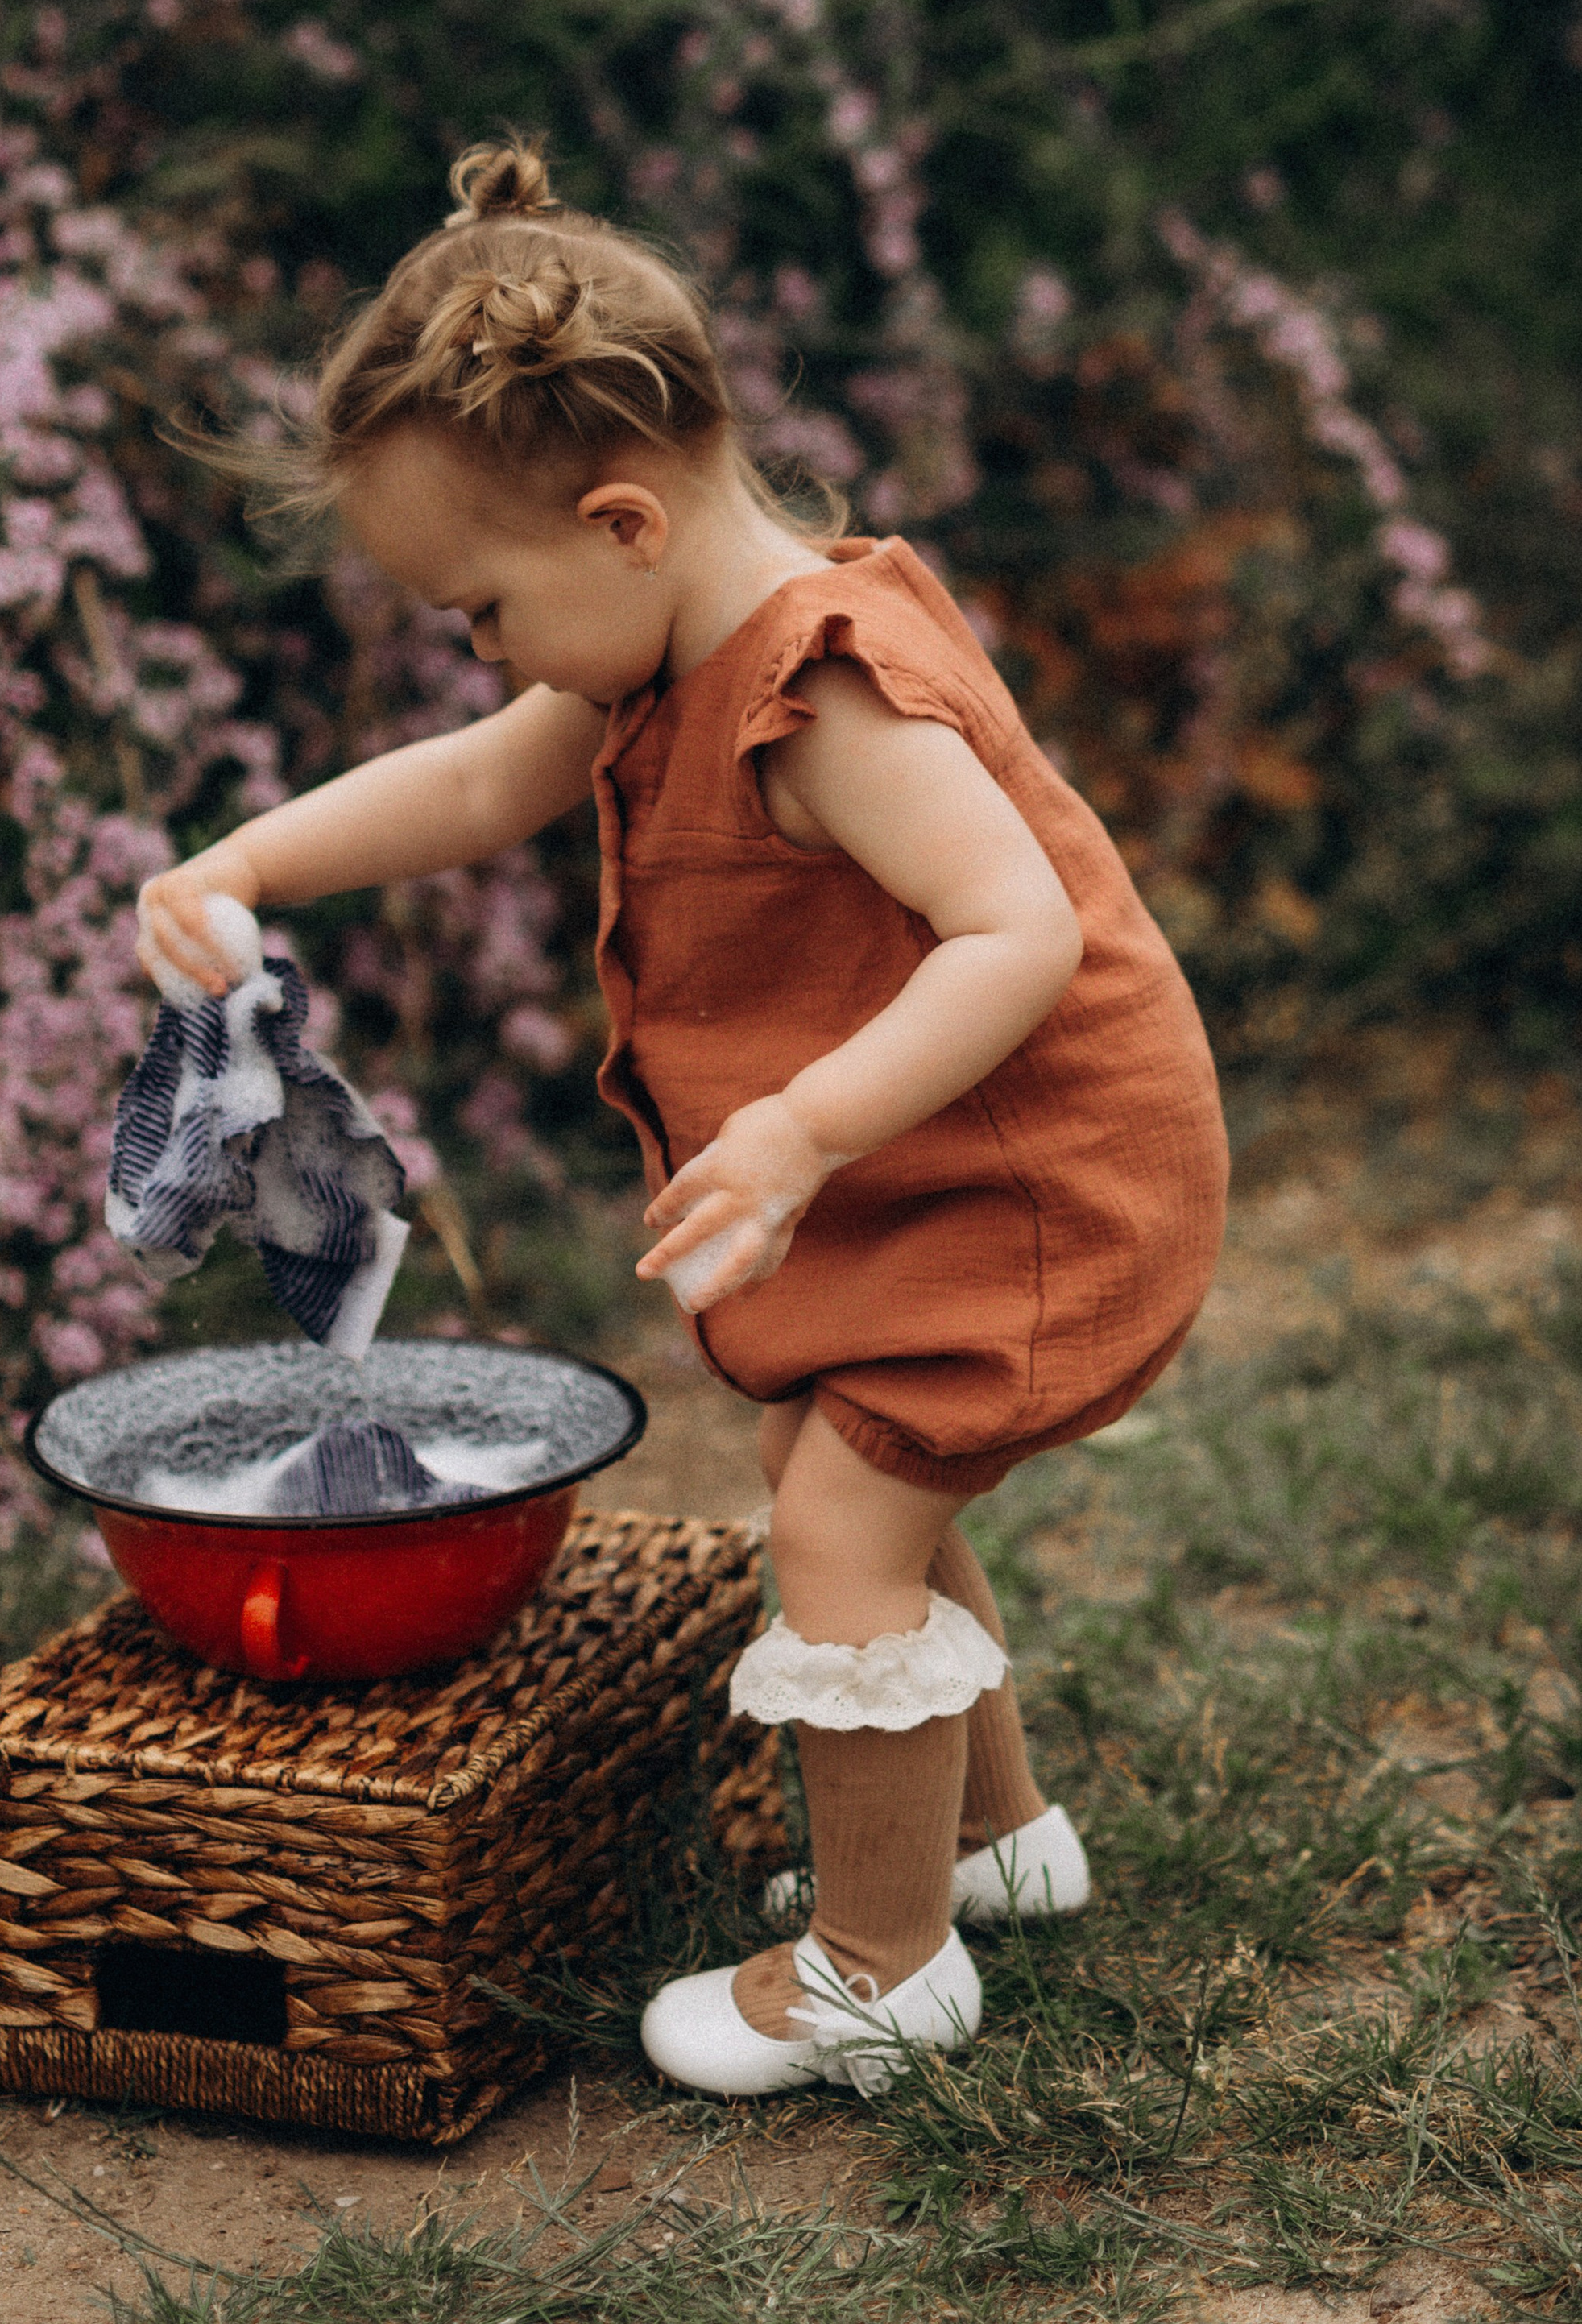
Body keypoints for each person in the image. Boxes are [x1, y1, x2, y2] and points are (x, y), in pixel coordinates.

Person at [136, 138, 1228, 2096]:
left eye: (478, 611)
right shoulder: (657, 652)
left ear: (623, 520)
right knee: (848, 1448)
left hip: (1047, 1182)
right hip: (950, 1170)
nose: (478, 658)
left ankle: (878, 1970)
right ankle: (995, 1843)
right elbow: (474, 786)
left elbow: (1018, 932)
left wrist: (803, 1128)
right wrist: (244, 863)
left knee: (833, 1506)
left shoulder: (824, 692)